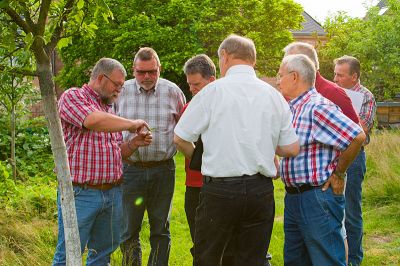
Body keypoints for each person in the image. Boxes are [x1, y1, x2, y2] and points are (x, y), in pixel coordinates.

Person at [174, 34, 300, 266]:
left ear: (225, 57)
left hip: (220, 191)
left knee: (209, 258)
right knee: (251, 259)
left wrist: (201, 161)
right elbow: (291, 148)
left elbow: (180, 138)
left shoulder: (212, 92)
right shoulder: (274, 95)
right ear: (252, 60)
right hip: (259, 190)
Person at [53, 58, 152, 266]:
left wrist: (133, 143)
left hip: (113, 193)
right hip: (81, 193)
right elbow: (92, 121)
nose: (119, 91)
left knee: (102, 255)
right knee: (69, 254)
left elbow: (118, 152)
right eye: (117, 84)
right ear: (100, 78)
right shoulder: (73, 96)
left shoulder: (110, 109)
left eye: (122, 87)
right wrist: (133, 124)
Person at [277, 54, 366, 265]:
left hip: (316, 198)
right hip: (295, 197)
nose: (278, 80)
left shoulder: (317, 107)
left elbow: (357, 135)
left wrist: (339, 173)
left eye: (280, 75)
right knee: (295, 260)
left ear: (295, 77)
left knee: (327, 260)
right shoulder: (294, 107)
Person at [116, 47, 186, 266]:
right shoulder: (122, 91)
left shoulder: (172, 91)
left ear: (159, 69)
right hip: (130, 169)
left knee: (160, 229)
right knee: (128, 230)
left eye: (152, 72)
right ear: (133, 70)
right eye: (141, 72)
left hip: (163, 169)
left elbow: (184, 127)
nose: (146, 77)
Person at [334, 55, 377, 266]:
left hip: (355, 157)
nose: (336, 79)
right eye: (335, 74)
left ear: (354, 76)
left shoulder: (365, 96)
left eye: (340, 75)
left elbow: (362, 130)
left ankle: (354, 259)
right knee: (334, 208)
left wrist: (347, 106)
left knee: (351, 210)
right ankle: (338, 254)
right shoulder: (334, 92)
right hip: (334, 154)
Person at [181, 54, 216, 256]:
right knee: (200, 245)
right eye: (190, 85)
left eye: (197, 84)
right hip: (193, 186)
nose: (192, 89)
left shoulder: (226, 107)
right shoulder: (188, 108)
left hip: (218, 186)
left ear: (211, 80)